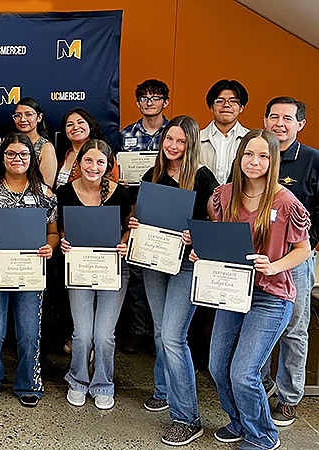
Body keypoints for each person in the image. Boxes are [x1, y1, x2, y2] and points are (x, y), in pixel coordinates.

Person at [197, 129, 310, 450]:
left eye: (263, 156)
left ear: (273, 160)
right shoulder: (224, 195)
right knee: (218, 366)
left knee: (244, 372)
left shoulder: (285, 201)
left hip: (270, 296)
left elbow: (303, 249)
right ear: (240, 156)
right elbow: (220, 239)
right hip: (232, 291)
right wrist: (202, 249)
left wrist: (274, 266)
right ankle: (240, 422)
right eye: (249, 154)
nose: (254, 161)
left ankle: (263, 436)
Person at [129, 116, 218, 446]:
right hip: (154, 261)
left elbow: (214, 220)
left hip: (185, 265)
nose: (174, 147)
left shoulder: (203, 178)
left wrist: (194, 237)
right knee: (160, 330)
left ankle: (187, 418)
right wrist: (135, 224)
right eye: (170, 140)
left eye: (181, 141)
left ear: (191, 144)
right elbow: (139, 215)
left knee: (174, 336)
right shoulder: (153, 175)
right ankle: (163, 389)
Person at [0, 133, 58, 407]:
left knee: (29, 333)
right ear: (2, 157)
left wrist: (50, 247)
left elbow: (52, 233)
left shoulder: (46, 194)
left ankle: (29, 382)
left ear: (31, 158)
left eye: (23, 154)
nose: (17, 159)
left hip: (29, 272)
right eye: (11, 154)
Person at [58, 139, 133, 410]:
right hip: (79, 266)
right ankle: (78, 380)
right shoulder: (65, 193)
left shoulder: (122, 195)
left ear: (108, 165)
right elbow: (61, 230)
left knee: (104, 335)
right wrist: (64, 241)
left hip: (113, 268)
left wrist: (126, 240)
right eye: (88, 160)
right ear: (79, 163)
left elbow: (129, 228)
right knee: (82, 333)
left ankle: (103, 384)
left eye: (100, 161)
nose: (93, 166)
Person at [260, 97, 319, 427]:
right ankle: (262, 385)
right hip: (258, 259)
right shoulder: (255, 153)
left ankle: (289, 396)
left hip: (295, 259)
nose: (279, 123)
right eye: (273, 116)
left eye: (287, 118)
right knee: (260, 324)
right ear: (265, 120)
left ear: (300, 124)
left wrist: (305, 248)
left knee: (294, 329)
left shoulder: (312, 160)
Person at [118, 80, 171, 355]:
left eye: (156, 97)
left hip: (168, 207)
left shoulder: (174, 134)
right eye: (144, 98)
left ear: (166, 102)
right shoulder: (125, 134)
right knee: (137, 271)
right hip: (135, 206)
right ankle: (139, 331)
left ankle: (161, 333)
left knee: (164, 269)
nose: (149, 102)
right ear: (137, 103)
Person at [198, 79, 250, 185]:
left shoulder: (250, 140)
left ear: (241, 108)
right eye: (220, 101)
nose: (226, 105)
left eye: (233, 101)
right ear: (211, 107)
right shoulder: (196, 139)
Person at [55, 108, 116, 189]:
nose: (76, 127)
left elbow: (111, 188)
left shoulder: (103, 154)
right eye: (70, 124)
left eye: (80, 122)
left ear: (90, 126)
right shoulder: (63, 155)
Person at [12, 97, 57, 187]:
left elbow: (46, 187)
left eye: (28, 114)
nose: (23, 119)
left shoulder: (46, 147)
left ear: (39, 117)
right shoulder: (10, 144)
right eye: (18, 115)